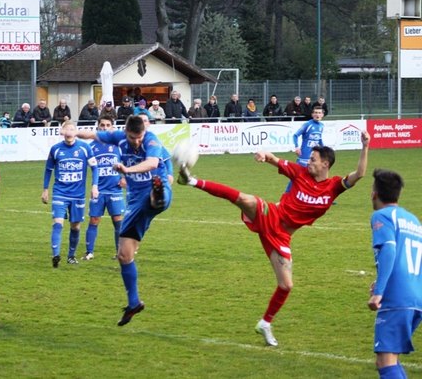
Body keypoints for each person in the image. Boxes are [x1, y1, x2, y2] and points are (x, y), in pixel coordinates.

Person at [177, 131, 370, 346]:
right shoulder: (299, 172)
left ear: (325, 164)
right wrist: (263, 155)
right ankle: (192, 180)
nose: (308, 162)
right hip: (271, 215)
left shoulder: (334, 186)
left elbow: (360, 174)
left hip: (282, 236)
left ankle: (265, 323)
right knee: (244, 199)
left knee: (286, 285)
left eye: (313, 160)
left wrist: (365, 146)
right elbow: (273, 158)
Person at [76, 115, 172, 326]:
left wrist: (127, 170)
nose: (136, 141)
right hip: (135, 201)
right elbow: (92, 134)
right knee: (124, 254)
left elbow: (153, 162)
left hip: (153, 191)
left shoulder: (151, 140)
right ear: (125, 131)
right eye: (132, 137)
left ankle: (159, 195)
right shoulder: (118, 137)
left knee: (155, 198)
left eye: (139, 137)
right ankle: (133, 302)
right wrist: (72, 132)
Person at [368, 169, 422, 379]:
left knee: (385, 361)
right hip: (416, 296)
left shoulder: (381, 216)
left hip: (397, 298)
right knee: (389, 359)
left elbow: (389, 249)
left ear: (375, 193)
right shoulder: (413, 221)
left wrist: (380, 291)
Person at [42, 121, 99, 267]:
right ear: (62, 131)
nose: (69, 131)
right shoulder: (55, 149)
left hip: (78, 195)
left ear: (76, 132)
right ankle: (55, 255)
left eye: (72, 129)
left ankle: (71, 256)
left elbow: (95, 168)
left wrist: (94, 186)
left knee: (75, 227)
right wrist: (45, 189)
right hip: (60, 193)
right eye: (67, 128)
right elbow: (48, 170)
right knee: (58, 223)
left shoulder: (85, 148)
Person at [82, 116, 125, 260]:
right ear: (98, 127)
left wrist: (125, 178)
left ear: (112, 127)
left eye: (108, 125)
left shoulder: (119, 145)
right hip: (98, 190)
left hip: (115, 189)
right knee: (94, 220)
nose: (105, 128)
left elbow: (128, 163)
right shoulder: (91, 147)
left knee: (118, 220)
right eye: (102, 125)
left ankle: (120, 252)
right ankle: (89, 252)